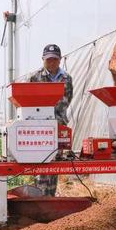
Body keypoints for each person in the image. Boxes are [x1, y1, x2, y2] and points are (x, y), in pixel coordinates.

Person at [29, 44, 73, 196]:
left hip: (58, 124)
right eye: (48, 60)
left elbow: (66, 100)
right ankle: (39, 198)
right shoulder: (35, 78)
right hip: (39, 127)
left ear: (60, 60)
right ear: (43, 60)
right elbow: (30, 101)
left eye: (54, 60)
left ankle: (50, 197)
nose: (51, 63)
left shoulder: (66, 78)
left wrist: (50, 110)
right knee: (40, 162)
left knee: (54, 163)